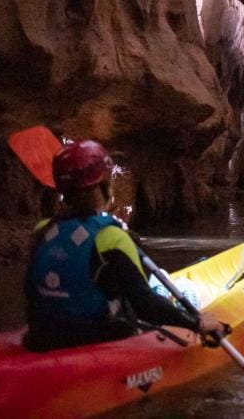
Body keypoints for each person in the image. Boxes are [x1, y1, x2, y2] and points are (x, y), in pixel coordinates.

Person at [24, 140, 223, 352]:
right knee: (183, 288)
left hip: (42, 338)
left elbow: (31, 294)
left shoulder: (42, 231)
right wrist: (196, 324)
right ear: (103, 188)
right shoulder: (110, 237)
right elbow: (144, 306)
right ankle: (196, 295)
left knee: (156, 280)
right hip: (101, 340)